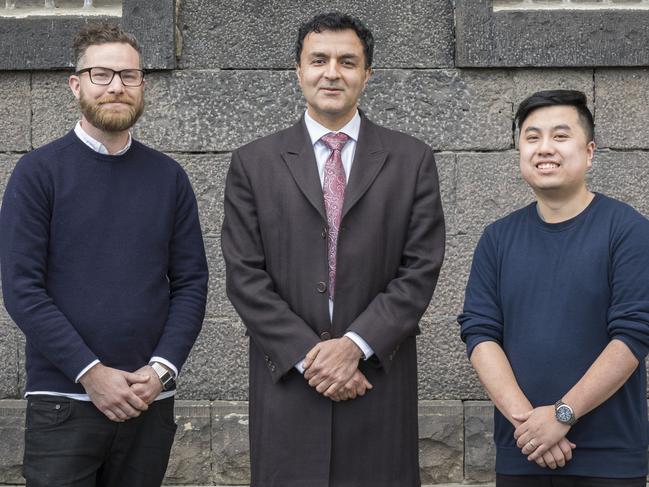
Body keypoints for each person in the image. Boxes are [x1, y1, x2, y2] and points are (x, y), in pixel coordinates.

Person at [221, 11, 445, 487]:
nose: (332, 72)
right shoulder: (253, 163)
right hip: (288, 378)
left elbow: (420, 268)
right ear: (297, 71)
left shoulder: (411, 160)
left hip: (377, 377)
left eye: (347, 61)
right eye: (318, 59)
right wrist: (312, 356)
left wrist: (355, 347)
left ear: (367, 74)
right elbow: (244, 275)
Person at [0, 23, 208, 486]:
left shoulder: (168, 177)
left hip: (147, 401)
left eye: (128, 76)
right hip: (63, 402)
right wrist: (91, 374)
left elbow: (192, 283)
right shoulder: (38, 173)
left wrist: (160, 372)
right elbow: (22, 289)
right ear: (76, 85)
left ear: (142, 86)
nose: (116, 86)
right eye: (101, 74)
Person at [459, 90, 649, 487]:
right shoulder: (497, 238)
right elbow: (479, 332)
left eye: (560, 136)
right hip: (521, 451)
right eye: (532, 137)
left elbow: (633, 334)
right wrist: (530, 425)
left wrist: (563, 414)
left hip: (608, 459)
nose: (545, 148)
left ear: (590, 152)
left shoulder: (627, 230)